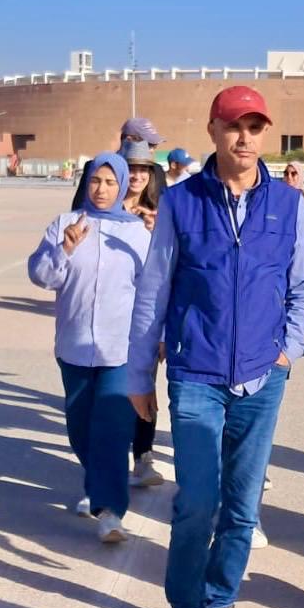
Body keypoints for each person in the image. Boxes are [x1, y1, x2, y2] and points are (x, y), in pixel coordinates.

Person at [127, 85, 304, 608]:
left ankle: (219, 605)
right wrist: (139, 372)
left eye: (255, 127)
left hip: (262, 378)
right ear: (213, 130)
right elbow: (154, 290)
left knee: (241, 506)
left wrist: (288, 349)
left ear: (265, 134)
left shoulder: (288, 204)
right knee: (196, 504)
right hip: (196, 376)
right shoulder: (182, 203)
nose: (244, 138)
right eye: (234, 125)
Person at [29, 153, 151, 542]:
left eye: (110, 182)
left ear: (122, 186)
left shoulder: (137, 232)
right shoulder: (64, 224)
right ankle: (97, 483)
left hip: (121, 349)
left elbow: (150, 291)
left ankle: (110, 511)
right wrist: (63, 250)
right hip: (75, 346)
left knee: (113, 429)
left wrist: (155, 341)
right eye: (96, 181)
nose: (101, 189)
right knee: (80, 429)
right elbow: (41, 276)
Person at [120, 139, 166, 489]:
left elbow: (169, 274)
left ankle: (144, 455)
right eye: (130, 168)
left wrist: (156, 232)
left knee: (145, 385)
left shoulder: (161, 212)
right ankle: (108, 463)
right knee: (111, 394)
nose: (136, 175)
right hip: (110, 318)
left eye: (143, 169)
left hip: (146, 318)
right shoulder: (102, 207)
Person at [71, 117, 166, 209]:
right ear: (128, 140)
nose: (152, 150)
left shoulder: (157, 171)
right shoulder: (97, 167)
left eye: (155, 146)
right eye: (149, 145)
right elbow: (79, 208)